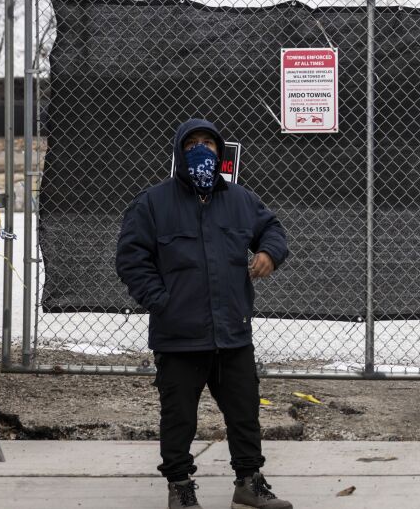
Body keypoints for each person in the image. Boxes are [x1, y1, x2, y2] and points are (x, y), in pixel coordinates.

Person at [116, 119, 292, 509]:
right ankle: (179, 486)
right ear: (180, 151)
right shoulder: (153, 202)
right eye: (192, 143)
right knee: (179, 416)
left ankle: (249, 484)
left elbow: (273, 229)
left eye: (208, 143)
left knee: (244, 412)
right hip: (178, 337)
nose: (201, 149)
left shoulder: (240, 199)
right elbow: (131, 259)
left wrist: (269, 253)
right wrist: (162, 302)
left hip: (232, 333)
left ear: (219, 151)